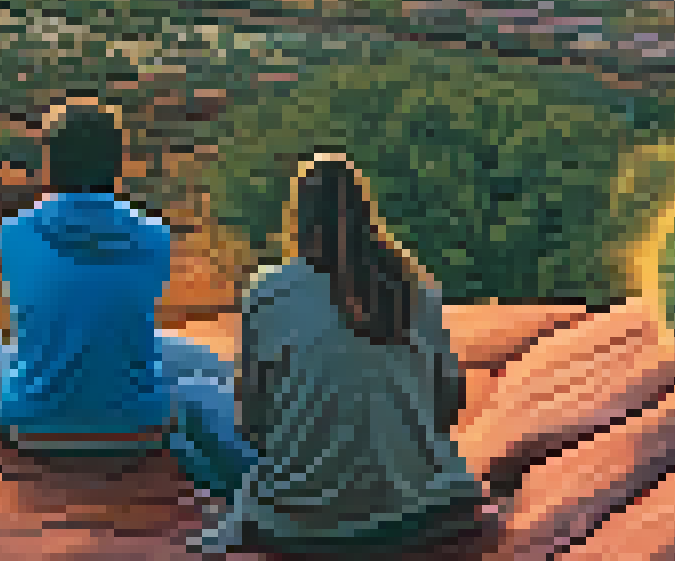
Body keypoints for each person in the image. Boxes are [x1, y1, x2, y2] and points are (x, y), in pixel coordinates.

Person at [171, 152, 491, 555]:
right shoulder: (416, 289)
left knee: (185, 407)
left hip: (307, 526)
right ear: (366, 215)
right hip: (423, 511)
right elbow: (449, 405)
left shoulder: (269, 294)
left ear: (299, 220)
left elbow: (253, 426)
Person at [0, 99, 234, 455]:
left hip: (34, 426)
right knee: (191, 357)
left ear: (50, 164)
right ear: (118, 165)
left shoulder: (14, 232)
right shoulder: (155, 236)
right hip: (138, 428)